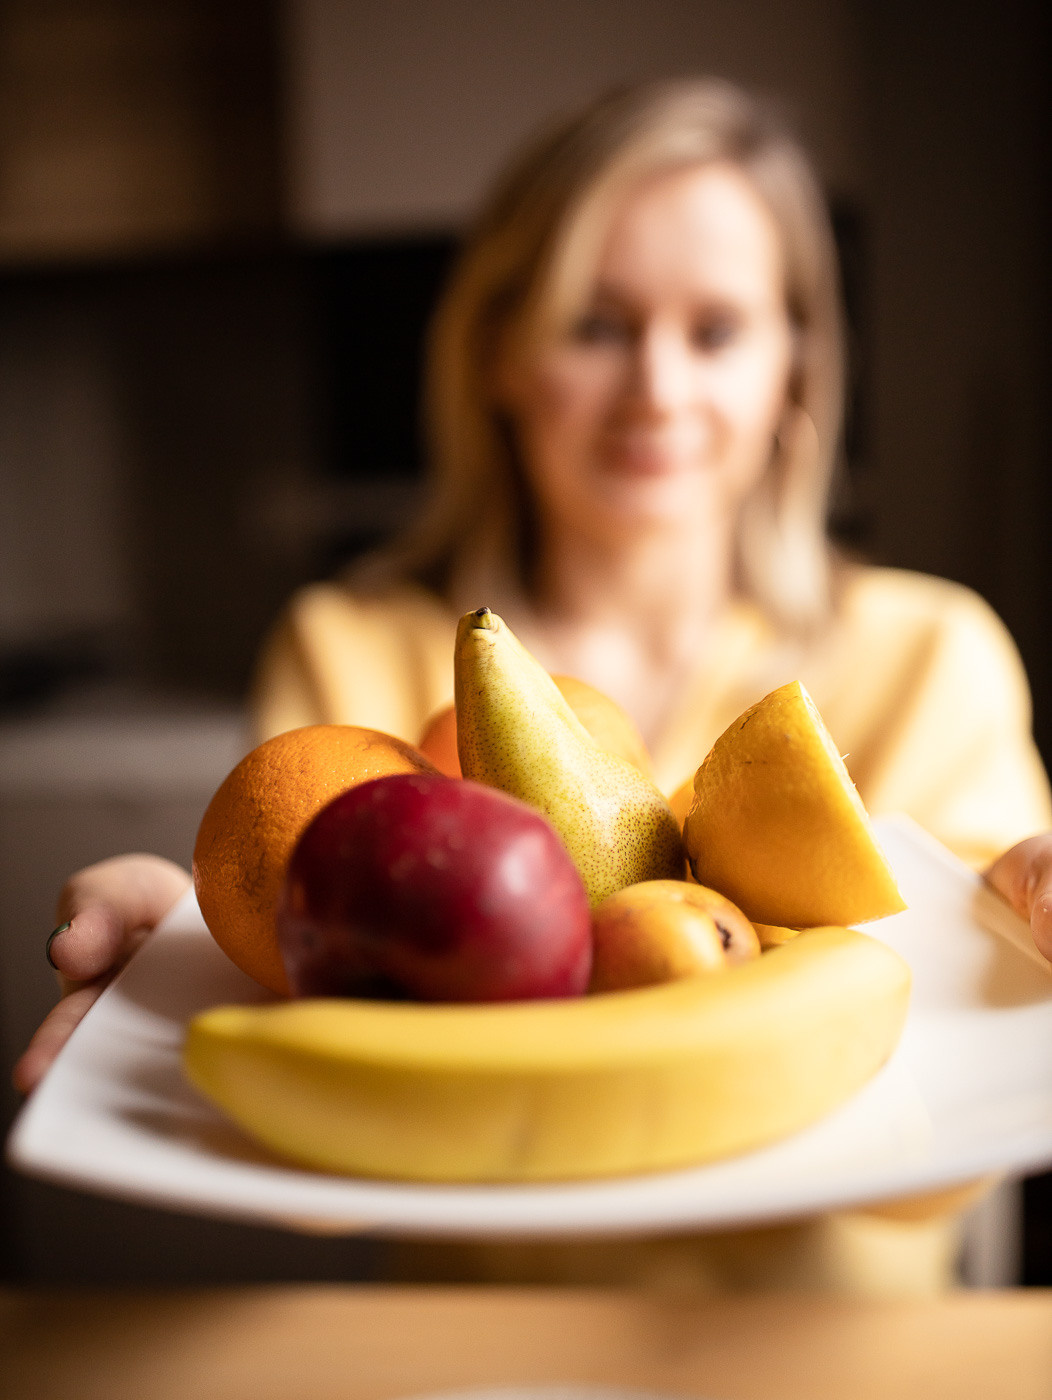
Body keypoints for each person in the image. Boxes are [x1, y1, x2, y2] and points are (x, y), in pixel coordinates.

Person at [15, 78, 1052, 1293]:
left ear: (795, 372)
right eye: (595, 324)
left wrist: (1020, 948)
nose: (656, 386)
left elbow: (952, 1153)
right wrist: (190, 969)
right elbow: (317, 1149)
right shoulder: (351, 648)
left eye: (715, 329)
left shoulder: (928, 653)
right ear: (498, 352)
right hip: (476, 1362)